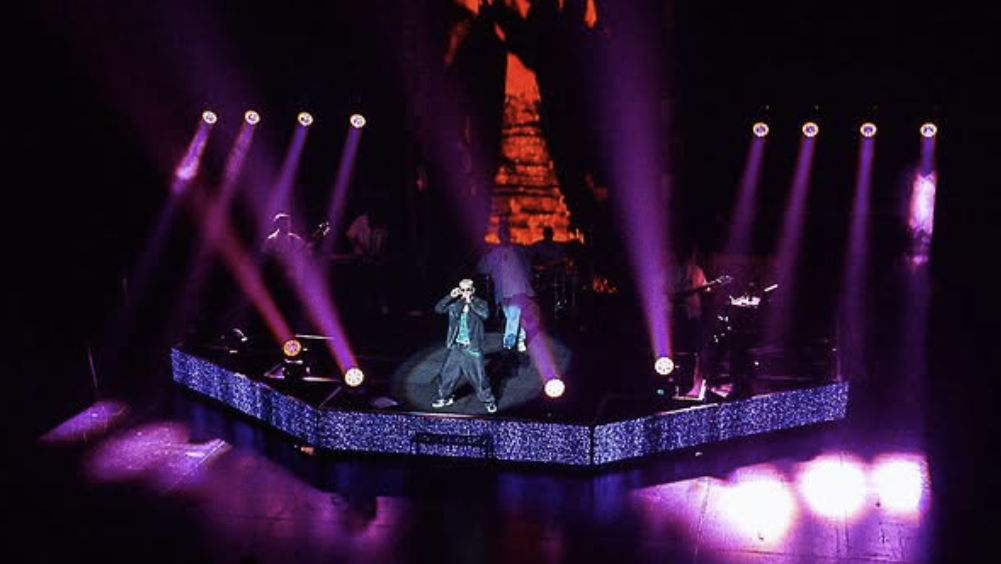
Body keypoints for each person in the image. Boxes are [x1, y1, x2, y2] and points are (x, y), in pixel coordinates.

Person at [431, 278, 498, 413]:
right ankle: (445, 397)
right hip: (456, 346)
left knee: (479, 378)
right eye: (462, 290)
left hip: (472, 347)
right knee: (447, 374)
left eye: (468, 289)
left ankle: (488, 401)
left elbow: (485, 315)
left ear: (473, 290)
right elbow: (438, 309)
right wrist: (450, 296)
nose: (465, 292)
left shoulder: (480, 303)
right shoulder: (455, 303)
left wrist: (470, 302)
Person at [476, 222, 536, 352]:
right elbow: (482, 267)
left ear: (508, 235)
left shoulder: (518, 251)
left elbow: (528, 267)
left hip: (519, 290)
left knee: (514, 317)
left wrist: (528, 285)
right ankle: (520, 340)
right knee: (512, 317)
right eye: (501, 234)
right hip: (503, 293)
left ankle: (508, 345)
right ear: (499, 236)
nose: (504, 237)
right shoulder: (495, 254)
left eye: (505, 234)